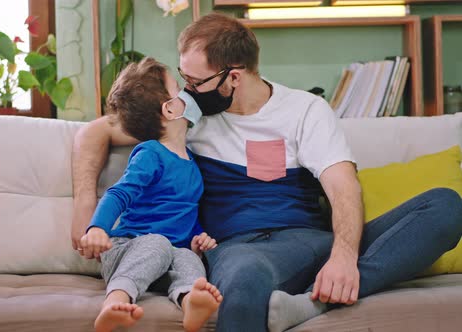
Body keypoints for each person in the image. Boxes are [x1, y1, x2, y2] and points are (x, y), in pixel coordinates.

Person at [72, 12, 462, 332]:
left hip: (310, 242)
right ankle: (313, 299)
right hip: (239, 249)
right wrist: (86, 213)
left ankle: (310, 306)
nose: (187, 90)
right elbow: (96, 130)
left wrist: (343, 258)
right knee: (245, 279)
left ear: (234, 77)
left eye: (195, 81)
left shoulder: (305, 110)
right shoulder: (187, 119)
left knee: (445, 206)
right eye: (183, 78)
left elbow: (343, 185)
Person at [78, 57, 223, 332]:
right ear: (169, 109)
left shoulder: (192, 162)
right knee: (156, 243)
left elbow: (185, 213)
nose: (186, 91)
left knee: (187, 258)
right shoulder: (151, 153)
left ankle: (190, 300)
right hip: (127, 251)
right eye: (178, 87)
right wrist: (97, 228)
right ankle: (115, 301)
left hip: (166, 260)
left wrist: (198, 238)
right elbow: (120, 193)